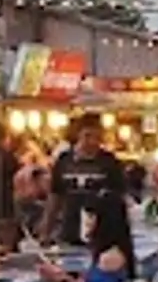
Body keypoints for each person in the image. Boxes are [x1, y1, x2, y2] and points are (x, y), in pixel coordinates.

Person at [47, 112, 135, 272]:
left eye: (97, 137)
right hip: (70, 232)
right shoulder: (64, 160)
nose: (92, 142)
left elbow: (120, 199)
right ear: (78, 134)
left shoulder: (110, 162)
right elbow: (55, 196)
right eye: (88, 136)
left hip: (101, 236)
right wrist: (46, 229)